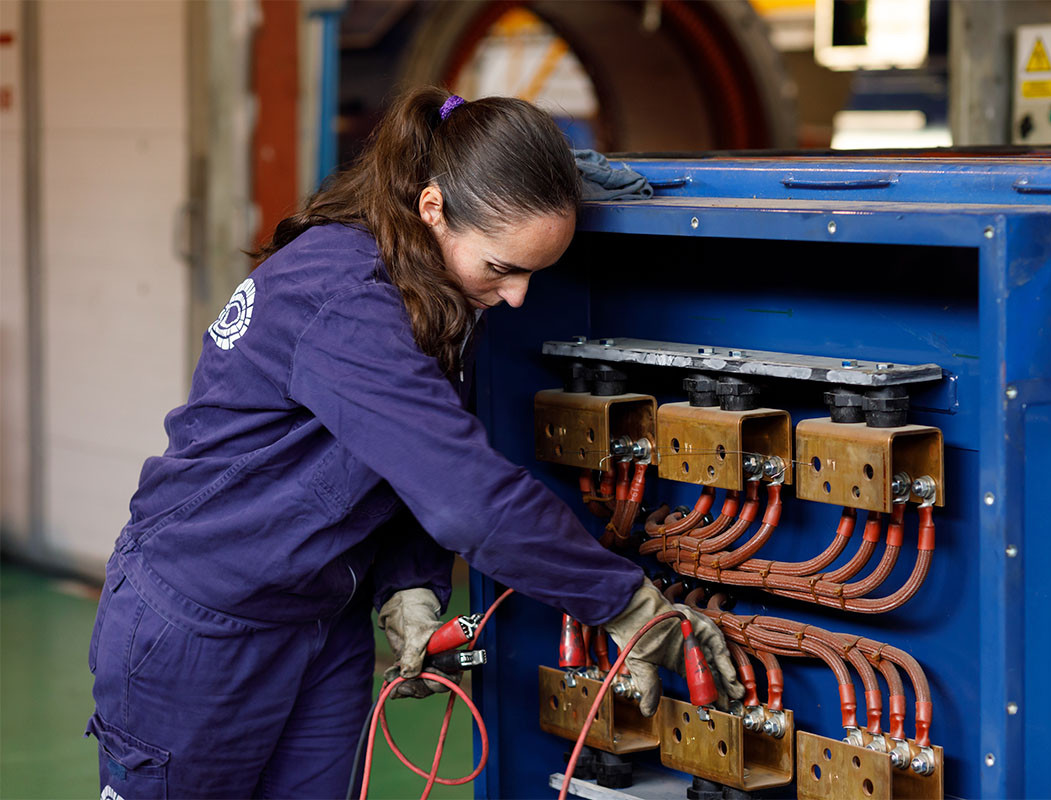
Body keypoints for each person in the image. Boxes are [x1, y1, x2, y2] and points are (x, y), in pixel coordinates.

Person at [85, 86, 743, 799]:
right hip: (202, 628)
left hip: (321, 620)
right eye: (502, 268)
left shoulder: (426, 291)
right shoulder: (341, 294)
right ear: (434, 208)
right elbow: (468, 498)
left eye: (532, 274)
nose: (517, 296)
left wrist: (409, 585)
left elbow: (399, 458)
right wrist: (627, 607)